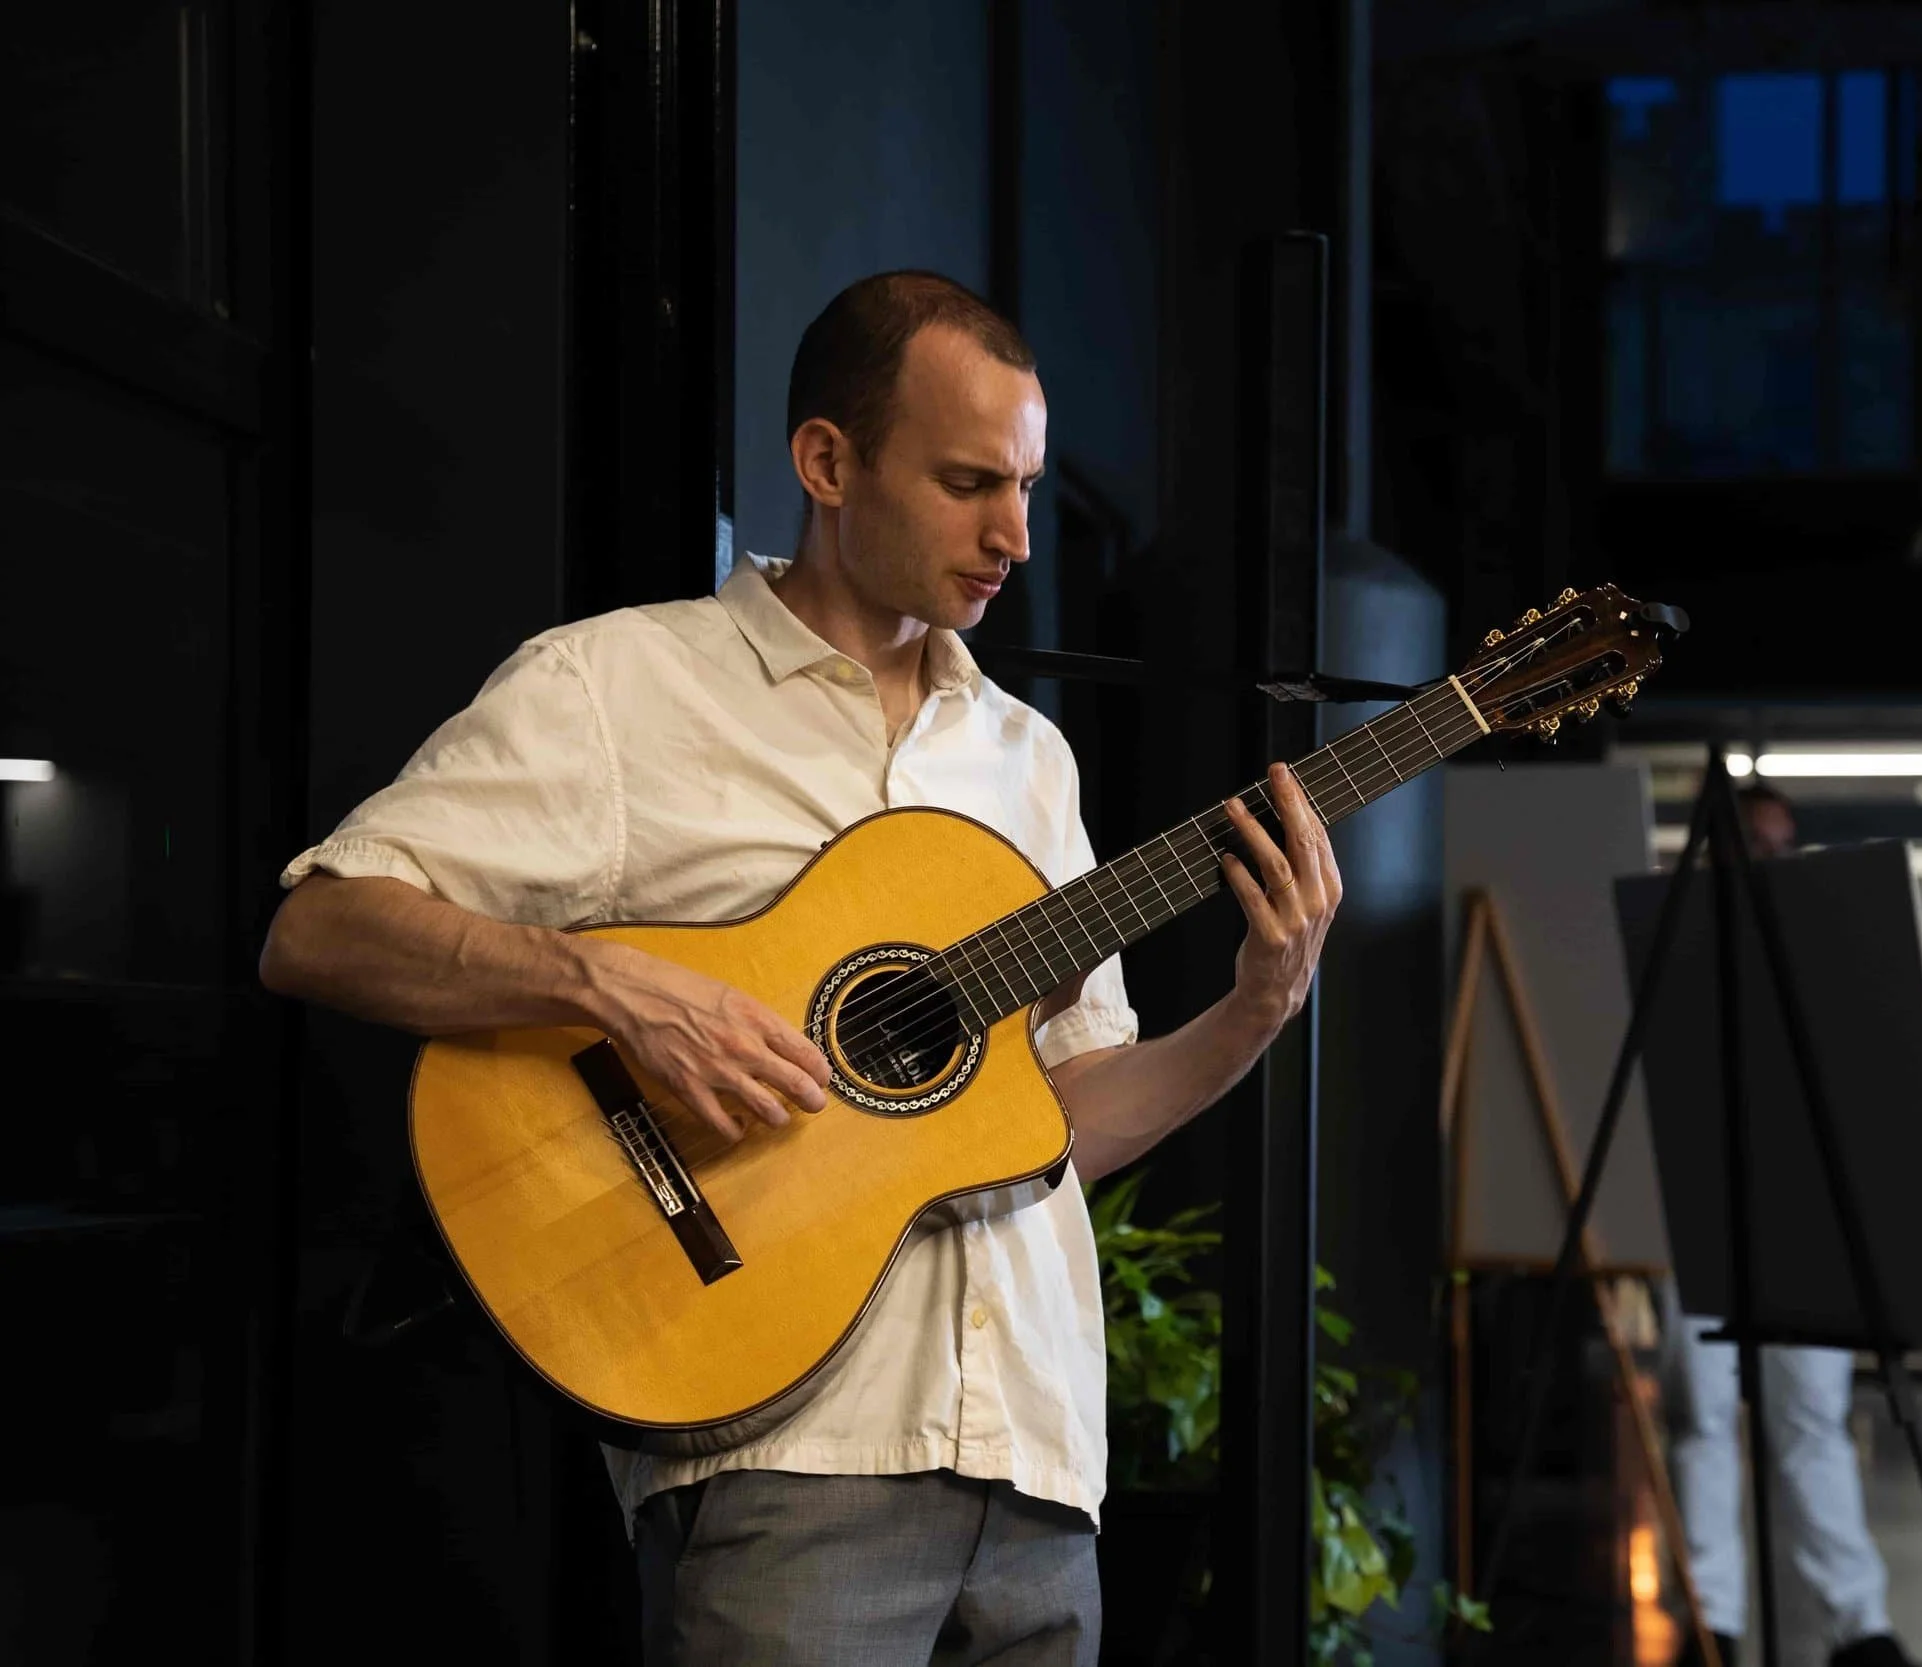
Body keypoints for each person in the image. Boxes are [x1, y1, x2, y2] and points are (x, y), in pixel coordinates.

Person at [258, 271, 1342, 1666]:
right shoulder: (617, 687)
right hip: (791, 1459)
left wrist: (1256, 1009)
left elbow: (1059, 1123)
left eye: (1025, 485)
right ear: (828, 462)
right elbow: (322, 928)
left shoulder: (1030, 760)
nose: (1015, 534)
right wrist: (611, 988)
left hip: (1038, 1466)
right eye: (969, 482)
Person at [1668, 782, 1919, 1667]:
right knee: (1702, 1413)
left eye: (1784, 843)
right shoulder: (1679, 938)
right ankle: (1714, 1621)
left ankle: (1859, 1625)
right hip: (1698, 1198)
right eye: (1757, 841)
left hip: (1805, 1206)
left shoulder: (1823, 943)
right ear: (1721, 846)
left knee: (1813, 1414)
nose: (1773, 859)